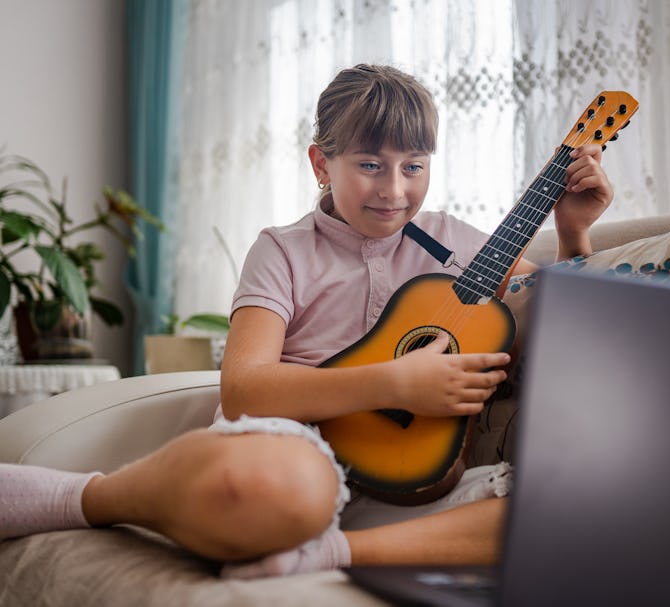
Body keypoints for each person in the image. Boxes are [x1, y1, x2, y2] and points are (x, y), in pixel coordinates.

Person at [0, 64, 613, 577]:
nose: (394, 190)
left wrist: (573, 231)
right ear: (322, 164)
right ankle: (85, 496)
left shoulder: (458, 245)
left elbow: (575, 328)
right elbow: (244, 393)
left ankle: (327, 553)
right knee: (272, 490)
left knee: (579, 506)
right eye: (370, 164)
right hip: (295, 451)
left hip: (413, 478)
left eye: (414, 166)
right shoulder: (283, 251)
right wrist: (393, 384)